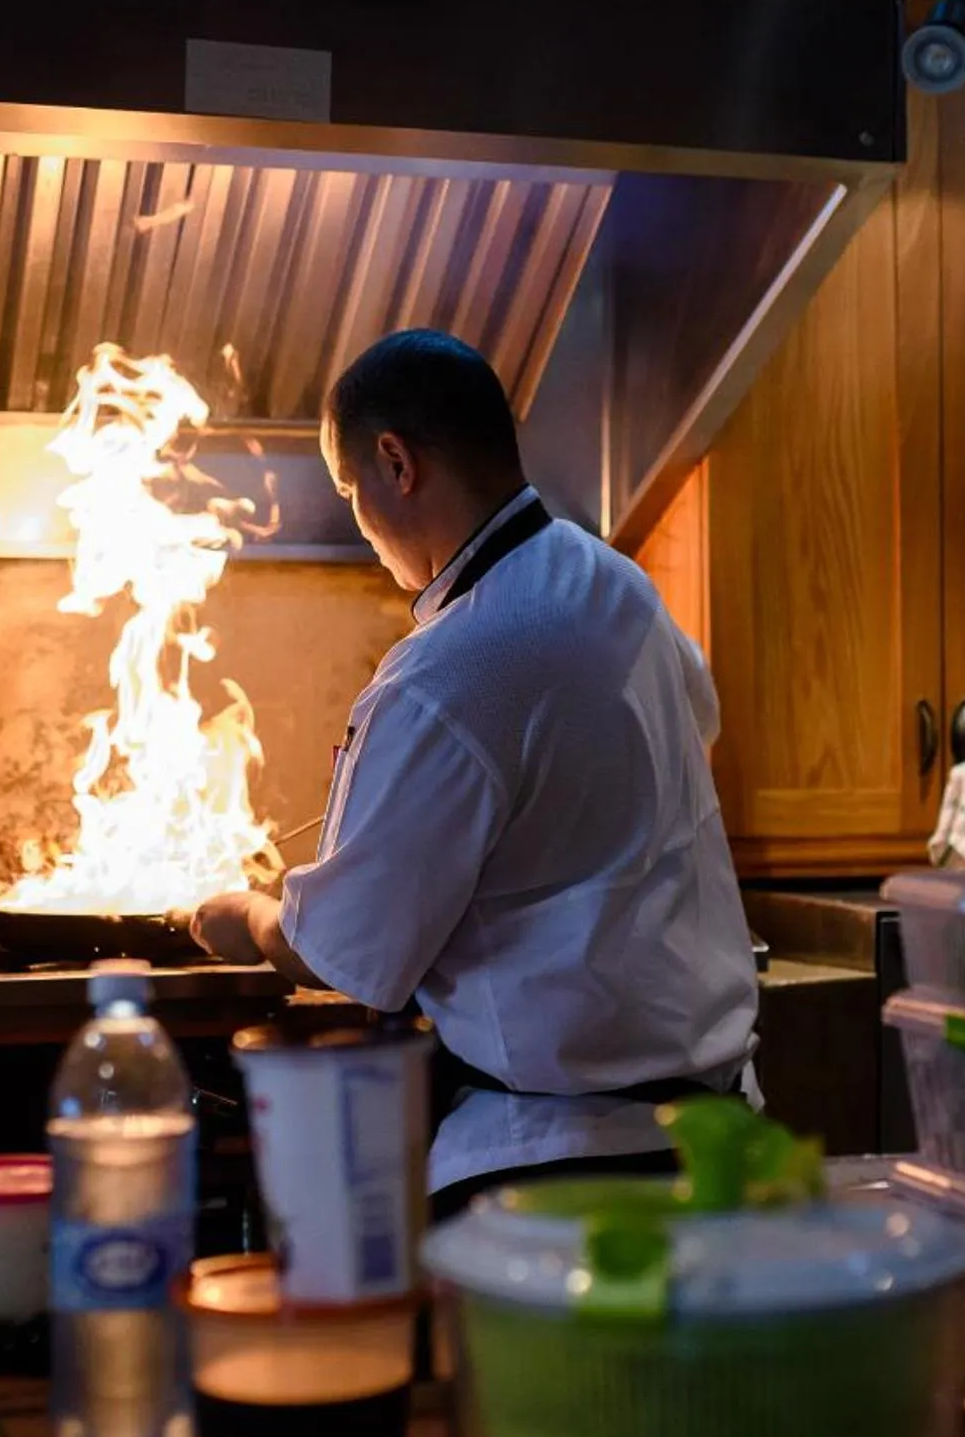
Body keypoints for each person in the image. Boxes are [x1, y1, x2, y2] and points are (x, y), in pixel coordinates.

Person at [190, 329, 759, 1219]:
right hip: (720, 1148)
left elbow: (348, 953)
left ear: (395, 463)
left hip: (558, 1173)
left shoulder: (445, 672)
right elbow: (686, 734)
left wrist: (242, 914)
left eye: (349, 490)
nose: (360, 520)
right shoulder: (617, 585)